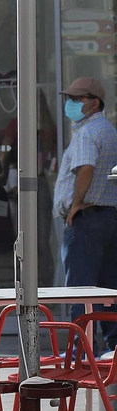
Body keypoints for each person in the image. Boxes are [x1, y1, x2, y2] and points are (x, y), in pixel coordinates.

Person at [55, 76, 117, 351]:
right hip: (108, 218)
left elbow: (86, 167)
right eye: (69, 98)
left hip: (88, 219)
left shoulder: (87, 133)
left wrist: (76, 204)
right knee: (107, 289)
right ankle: (112, 349)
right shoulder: (108, 130)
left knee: (80, 290)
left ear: (94, 103)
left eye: (77, 99)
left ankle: (79, 351)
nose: (70, 103)